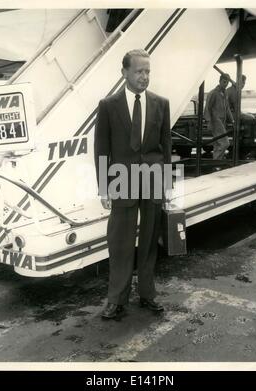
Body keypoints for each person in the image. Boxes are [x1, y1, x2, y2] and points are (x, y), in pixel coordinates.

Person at [94, 49, 172, 319]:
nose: (144, 76)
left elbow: (165, 148)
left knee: (150, 241)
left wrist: (166, 184)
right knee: (120, 243)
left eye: (148, 71)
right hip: (121, 180)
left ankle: (147, 295)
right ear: (124, 72)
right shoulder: (108, 106)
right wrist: (104, 187)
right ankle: (116, 300)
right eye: (139, 71)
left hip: (152, 181)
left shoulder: (161, 103)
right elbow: (101, 149)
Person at [204, 73, 234, 160]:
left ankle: (216, 163)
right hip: (215, 122)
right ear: (220, 81)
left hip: (222, 122)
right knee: (225, 143)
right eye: (224, 82)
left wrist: (232, 120)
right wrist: (209, 122)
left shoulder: (225, 94)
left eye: (227, 83)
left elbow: (227, 108)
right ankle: (217, 160)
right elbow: (207, 108)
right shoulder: (213, 93)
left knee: (218, 144)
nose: (225, 84)